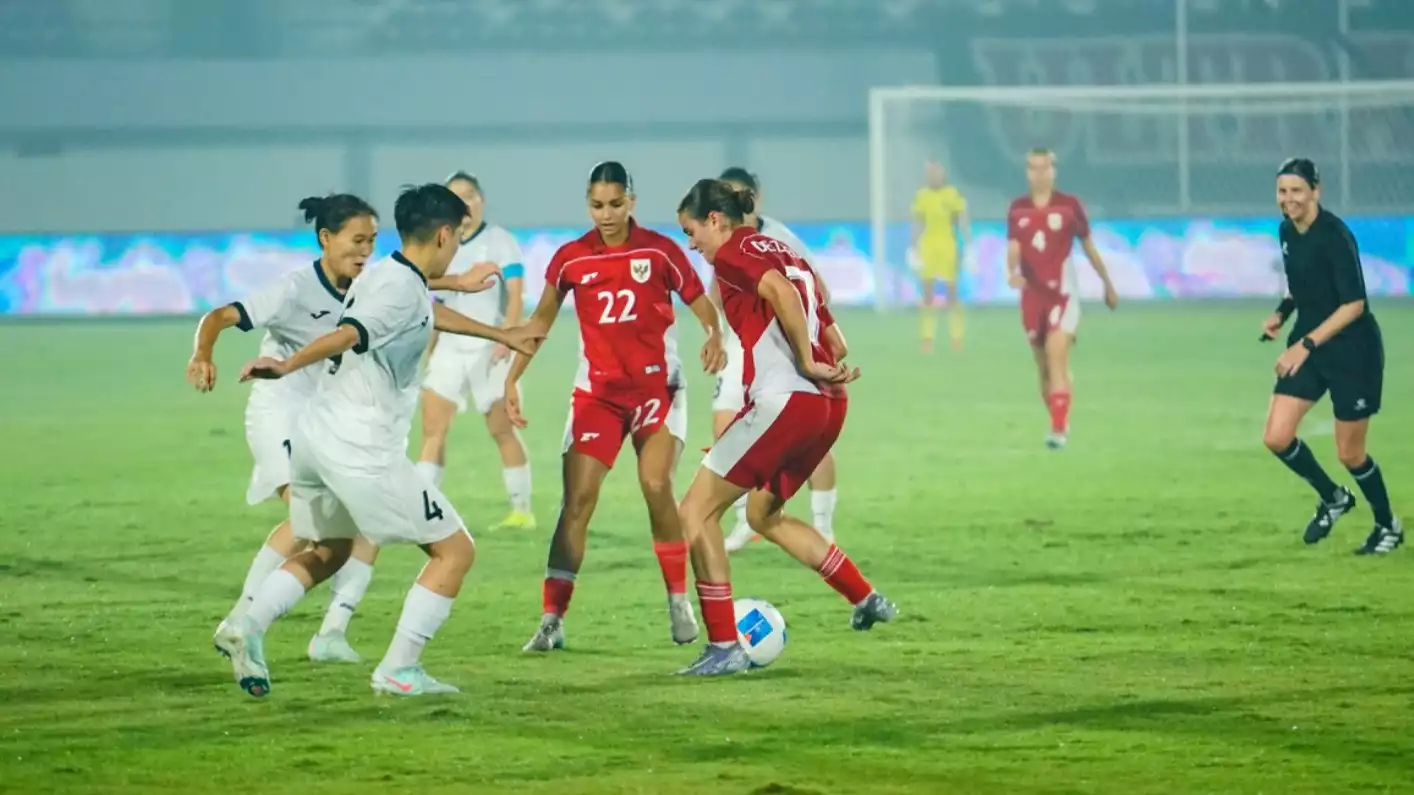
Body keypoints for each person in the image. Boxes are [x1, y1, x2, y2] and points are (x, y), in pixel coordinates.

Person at [216, 183, 543, 698]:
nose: (457, 249)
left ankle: (246, 624)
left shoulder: (386, 272)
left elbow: (424, 312)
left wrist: (502, 334)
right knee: (455, 551)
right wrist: (285, 365)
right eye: (457, 239)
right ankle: (399, 668)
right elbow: (349, 333)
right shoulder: (397, 288)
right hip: (361, 450)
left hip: (317, 437)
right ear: (443, 235)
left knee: (331, 549)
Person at [674, 178, 897, 677]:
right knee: (762, 514)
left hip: (786, 399)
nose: (691, 244)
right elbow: (830, 327)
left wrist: (803, 360)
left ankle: (724, 646)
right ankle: (865, 597)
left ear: (715, 220)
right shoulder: (783, 249)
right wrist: (821, 356)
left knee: (695, 512)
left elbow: (776, 291)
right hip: (827, 405)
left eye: (691, 231)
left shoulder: (732, 253)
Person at [505, 161, 726, 653]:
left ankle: (678, 600)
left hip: (657, 390)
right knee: (577, 502)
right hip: (598, 395)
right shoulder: (570, 259)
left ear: (632, 201)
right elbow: (539, 324)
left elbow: (701, 303)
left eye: (615, 204)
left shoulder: (660, 251)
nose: (606, 215)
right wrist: (513, 378)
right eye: (597, 205)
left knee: (655, 483)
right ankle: (551, 619)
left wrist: (715, 334)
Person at [189, 194, 379, 661]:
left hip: (324, 422)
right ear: (326, 238)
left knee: (356, 522)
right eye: (357, 241)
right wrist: (202, 354)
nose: (365, 251)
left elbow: (419, 283)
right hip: (278, 414)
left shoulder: (368, 288)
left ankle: (317, 632)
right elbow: (220, 316)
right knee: (316, 522)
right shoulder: (294, 289)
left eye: (372, 241)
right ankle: (247, 624)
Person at [1261, 157, 1400, 554]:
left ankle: (1387, 525)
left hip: (1353, 353)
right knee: (1276, 437)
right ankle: (1333, 497)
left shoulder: (1336, 236)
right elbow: (1298, 285)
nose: (1288, 199)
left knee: (1350, 453)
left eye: (1297, 191)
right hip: (1310, 346)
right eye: (1282, 191)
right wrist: (1281, 315)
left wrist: (1304, 345)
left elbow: (1354, 304)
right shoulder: (1287, 230)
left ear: (1316, 192)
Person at [712, 168, 840, 554]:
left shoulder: (780, 238)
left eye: (741, 195)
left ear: (756, 198)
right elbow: (716, 291)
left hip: (782, 348)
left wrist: (807, 334)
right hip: (740, 348)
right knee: (726, 427)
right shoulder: (721, 237)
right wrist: (716, 333)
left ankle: (823, 527)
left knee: (809, 438)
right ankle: (742, 520)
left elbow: (820, 289)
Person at [416, 172, 534, 531]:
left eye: (470, 195)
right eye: (455, 197)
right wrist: (431, 348)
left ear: (481, 199)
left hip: (489, 346)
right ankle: (424, 511)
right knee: (433, 430)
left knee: (501, 429)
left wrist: (506, 337)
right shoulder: (441, 243)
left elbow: (515, 293)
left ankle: (521, 511)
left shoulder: (499, 241)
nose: (464, 203)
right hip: (451, 348)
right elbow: (436, 300)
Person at [1005, 148, 1118, 450]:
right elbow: (1014, 247)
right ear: (1027, 171)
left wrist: (1107, 283)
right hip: (1032, 298)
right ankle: (1060, 416)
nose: (1039, 173)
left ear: (1054, 170)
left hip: (1062, 295)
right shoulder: (1017, 209)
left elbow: (1088, 246)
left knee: (1056, 355)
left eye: (1044, 167)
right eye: (1033, 168)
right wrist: (1012, 271)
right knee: (1043, 368)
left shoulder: (1069, 206)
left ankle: (1057, 431)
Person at [910, 161, 971, 353]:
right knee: (928, 294)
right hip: (928, 247)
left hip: (948, 246)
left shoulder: (952, 194)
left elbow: (961, 220)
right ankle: (927, 339)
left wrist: (967, 244)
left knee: (952, 293)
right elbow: (918, 223)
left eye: (937, 173)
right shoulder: (922, 196)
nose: (934, 177)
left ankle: (956, 338)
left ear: (943, 175)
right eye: (931, 173)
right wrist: (913, 247)